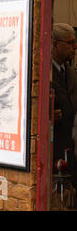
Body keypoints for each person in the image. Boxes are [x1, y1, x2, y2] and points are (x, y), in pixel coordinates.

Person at [51, 23, 77, 189]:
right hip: (51, 150)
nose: (74, 47)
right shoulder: (42, 73)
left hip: (71, 147)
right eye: (69, 43)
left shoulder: (72, 73)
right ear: (54, 44)